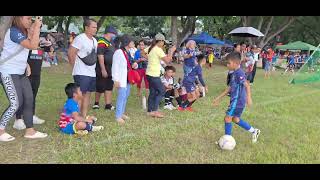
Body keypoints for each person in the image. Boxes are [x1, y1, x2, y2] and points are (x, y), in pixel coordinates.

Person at [0, 16, 47, 142]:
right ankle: (1, 130)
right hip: (8, 72)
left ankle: (30, 131)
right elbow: (32, 45)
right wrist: (36, 26)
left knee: (29, 99)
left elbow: (19, 50)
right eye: (28, 18)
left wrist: (25, 64)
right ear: (18, 19)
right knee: (15, 103)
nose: (30, 21)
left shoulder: (24, 32)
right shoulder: (14, 31)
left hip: (20, 72)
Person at [212, 52, 260, 143]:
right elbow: (229, 88)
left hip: (238, 101)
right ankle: (254, 131)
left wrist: (248, 98)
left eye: (229, 63)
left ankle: (227, 140)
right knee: (235, 119)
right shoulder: (234, 73)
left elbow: (247, 85)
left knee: (227, 118)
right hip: (235, 101)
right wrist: (218, 98)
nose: (227, 65)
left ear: (235, 63)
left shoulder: (239, 73)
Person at [68, 18, 98, 118]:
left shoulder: (94, 40)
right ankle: (76, 117)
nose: (95, 29)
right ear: (86, 27)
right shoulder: (80, 38)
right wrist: (74, 66)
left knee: (88, 94)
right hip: (81, 72)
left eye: (96, 27)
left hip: (91, 72)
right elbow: (71, 52)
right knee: (79, 95)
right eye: (93, 27)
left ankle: (84, 115)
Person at [13, 48, 46, 130]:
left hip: (37, 75)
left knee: (33, 97)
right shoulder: (26, 46)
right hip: (26, 75)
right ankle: (18, 119)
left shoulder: (41, 47)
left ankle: (32, 115)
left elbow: (50, 51)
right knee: (22, 97)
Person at [146, 33, 176, 118]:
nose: (164, 44)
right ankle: (155, 111)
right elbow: (168, 61)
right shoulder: (158, 49)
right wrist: (171, 51)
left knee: (152, 92)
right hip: (154, 74)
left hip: (149, 73)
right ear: (160, 41)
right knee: (162, 90)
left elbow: (142, 53)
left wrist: (151, 59)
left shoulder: (151, 48)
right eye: (163, 42)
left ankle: (150, 111)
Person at [112, 35, 137, 124]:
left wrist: (135, 65)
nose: (133, 43)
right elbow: (115, 66)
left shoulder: (128, 52)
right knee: (121, 97)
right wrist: (115, 79)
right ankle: (118, 116)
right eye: (132, 41)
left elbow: (131, 63)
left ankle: (122, 113)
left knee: (125, 96)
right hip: (121, 78)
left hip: (127, 78)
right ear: (127, 42)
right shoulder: (119, 52)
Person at [93, 26, 118, 111]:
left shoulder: (111, 42)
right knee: (100, 86)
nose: (114, 35)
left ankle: (108, 104)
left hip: (111, 68)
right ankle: (96, 103)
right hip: (102, 68)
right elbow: (100, 55)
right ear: (109, 33)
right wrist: (103, 69)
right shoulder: (102, 41)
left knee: (109, 86)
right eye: (114, 33)